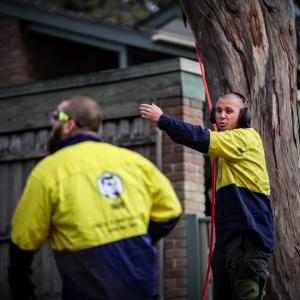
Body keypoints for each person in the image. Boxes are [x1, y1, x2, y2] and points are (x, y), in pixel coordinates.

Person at [8, 95, 182, 300]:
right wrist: (137, 241)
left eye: (56, 116)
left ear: (68, 125)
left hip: (86, 286)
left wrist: (22, 287)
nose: (51, 122)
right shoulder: (134, 162)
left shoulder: (48, 171)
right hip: (140, 283)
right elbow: (171, 211)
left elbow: (23, 240)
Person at [140, 92, 274, 300]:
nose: (222, 116)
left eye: (229, 111)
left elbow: (199, 137)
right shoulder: (226, 149)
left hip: (247, 239)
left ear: (244, 115)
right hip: (228, 241)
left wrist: (163, 119)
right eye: (218, 111)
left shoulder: (246, 138)